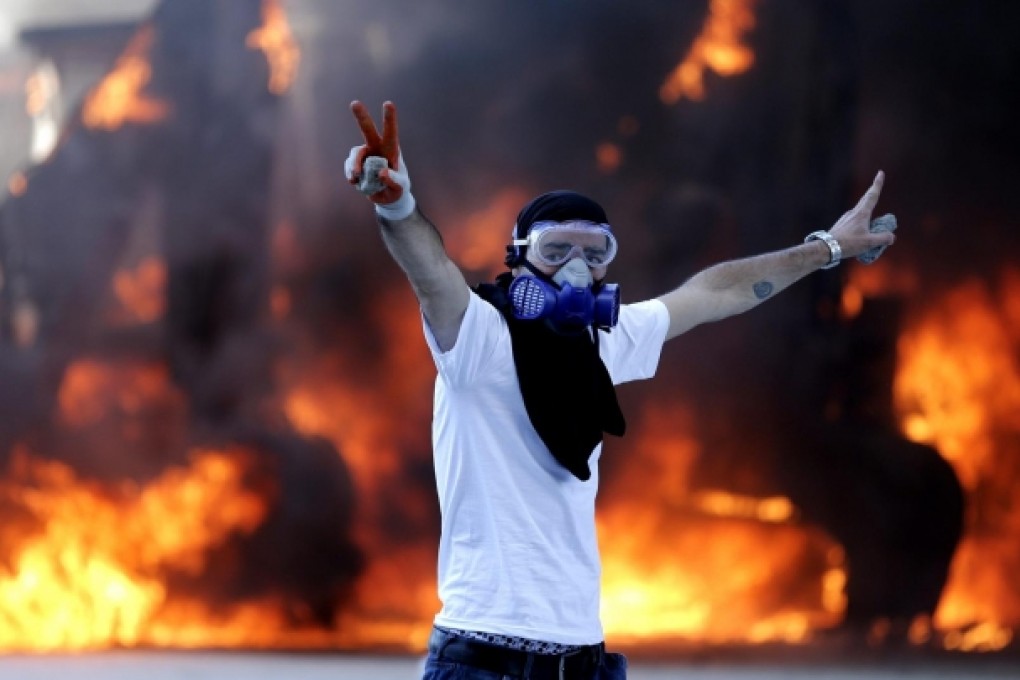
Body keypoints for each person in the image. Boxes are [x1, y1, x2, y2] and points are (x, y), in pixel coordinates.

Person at [345, 100, 895, 680]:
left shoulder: (603, 340)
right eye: (555, 250)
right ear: (519, 260)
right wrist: (397, 205)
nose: (576, 268)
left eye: (594, 252)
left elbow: (717, 292)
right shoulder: (478, 336)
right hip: (485, 656)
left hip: (583, 656)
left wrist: (829, 248)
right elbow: (431, 274)